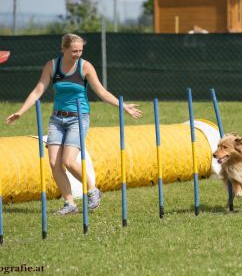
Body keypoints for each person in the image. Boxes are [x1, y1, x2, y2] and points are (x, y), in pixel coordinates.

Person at [6, 33, 142, 215]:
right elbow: (38, 90)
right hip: (57, 119)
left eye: (80, 50)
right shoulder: (52, 66)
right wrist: (20, 112)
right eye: (74, 51)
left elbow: (101, 92)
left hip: (78, 118)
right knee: (54, 162)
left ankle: (92, 190)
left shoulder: (85, 67)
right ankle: (69, 203)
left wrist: (123, 106)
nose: (78, 54)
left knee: (68, 161)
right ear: (63, 49)